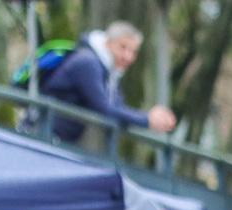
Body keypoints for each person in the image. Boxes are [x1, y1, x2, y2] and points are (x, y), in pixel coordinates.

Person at [37, 22, 176, 144]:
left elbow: (117, 107)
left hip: (56, 139)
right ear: (107, 43)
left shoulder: (108, 72)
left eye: (133, 52)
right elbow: (104, 108)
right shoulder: (88, 62)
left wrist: (148, 118)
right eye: (123, 47)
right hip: (40, 135)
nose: (128, 56)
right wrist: (147, 120)